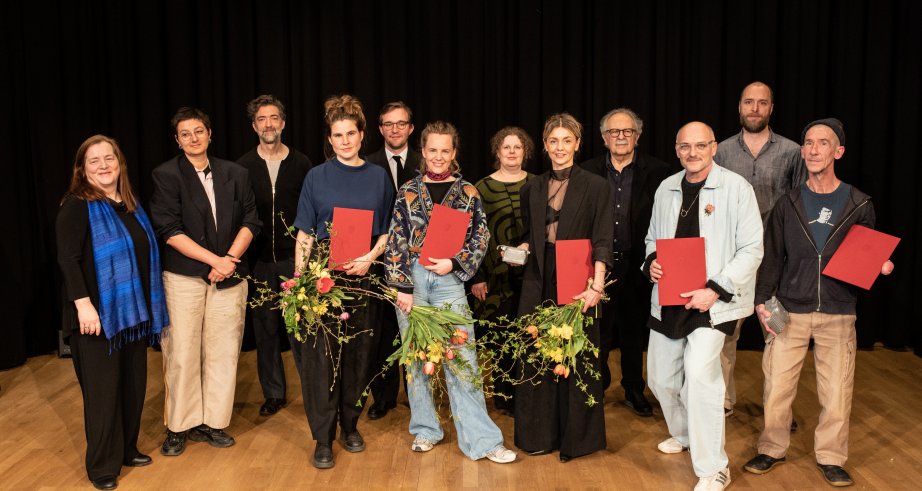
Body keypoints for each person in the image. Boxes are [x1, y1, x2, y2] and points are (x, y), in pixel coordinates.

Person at [743, 119, 894, 487]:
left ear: (837, 152)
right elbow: (772, 257)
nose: (812, 150)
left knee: (837, 392)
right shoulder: (788, 203)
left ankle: (830, 456)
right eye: (808, 143)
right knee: (777, 386)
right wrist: (763, 301)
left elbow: (866, 255)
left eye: (821, 143)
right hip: (789, 311)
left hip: (838, 313)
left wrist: (880, 265)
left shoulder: (859, 204)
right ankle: (772, 448)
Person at [385, 120, 517, 464]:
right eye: (433, 150)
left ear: (454, 153)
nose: (439, 156)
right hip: (413, 283)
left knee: (462, 360)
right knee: (417, 361)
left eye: (446, 150)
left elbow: (481, 238)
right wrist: (402, 286)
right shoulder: (408, 191)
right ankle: (426, 430)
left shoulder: (468, 193)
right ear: (423, 152)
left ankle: (482, 441)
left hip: (448, 282)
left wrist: (455, 264)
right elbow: (396, 239)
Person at [644, 122, 763, 491]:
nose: (692, 153)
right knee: (660, 378)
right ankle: (685, 434)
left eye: (700, 145)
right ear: (676, 149)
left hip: (713, 302)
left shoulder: (736, 188)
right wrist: (651, 262)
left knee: (700, 376)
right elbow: (652, 238)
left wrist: (715, 288)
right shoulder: (666, 187)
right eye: (684, 146)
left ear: (714, 147)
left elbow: (752, 249)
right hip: (670, 298)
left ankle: (714, 468)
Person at [56, 135, 169, 490]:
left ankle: (126, 449)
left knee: (132, 387)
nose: (104, 165)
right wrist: (83, 305)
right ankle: (102, 467)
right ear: (82, 168)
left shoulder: (130, 204)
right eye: (94, 161)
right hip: (95, 318)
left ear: (120, 163)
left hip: (131, 316)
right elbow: (68, 259)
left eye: (110, 158)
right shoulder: (77, 205)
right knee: (103, 394)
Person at [150, 107, 261, 457]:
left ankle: (213, 422)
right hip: (184, 278)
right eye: (185, 134)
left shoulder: (236, 172)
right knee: (181, 352)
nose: (193, 138)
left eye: (199, 131)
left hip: (229, 275)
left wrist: (228, 261)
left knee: (223, 352)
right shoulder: (166, 175)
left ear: (210, 134)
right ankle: (180, 426)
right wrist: (215, 261)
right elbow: (169, 230)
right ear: (177, 140)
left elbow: (251, 220)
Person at [292, 95, 393, 469]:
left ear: (362, 135)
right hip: (323, 281)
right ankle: (323, 437)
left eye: (351, 133)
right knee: (321, 360)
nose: (345, 140)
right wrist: (300, 284)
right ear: (330, 139)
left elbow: (386, 233)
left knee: (358, 357)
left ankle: (350, 425)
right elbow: (304, 234)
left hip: (362, 277)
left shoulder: (378, 177)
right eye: (338, 135)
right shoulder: (316, 177)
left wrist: (369, 258)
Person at [514, 113, 612, 462]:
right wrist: (522, 250)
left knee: (578, 354)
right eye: (553, 141)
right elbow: (532, 235)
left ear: (577, 144)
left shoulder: (597, 185)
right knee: (537, 352)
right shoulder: (533, 187)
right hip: (538, 278)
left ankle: (578, 439)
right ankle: (539, 434)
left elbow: (603, 238)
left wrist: (597, 284)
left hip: (579, 278)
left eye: (566, 140)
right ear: (545, 145)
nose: (559, 147)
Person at [714, 81, 806, 418]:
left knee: (777, 336)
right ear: (739, 107)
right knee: (724, 335)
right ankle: (722, 402)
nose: (755, 108)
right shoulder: (720, 151)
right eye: (749, 102)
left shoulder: (792, 152)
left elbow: (800, 206)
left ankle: (776, 410)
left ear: (771, 108)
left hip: (775, 262)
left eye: (762, 103)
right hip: (732, 260)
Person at [579, 107, 671, 417]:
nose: (621, 137)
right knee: (598, 329)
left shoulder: (659, 172)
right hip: (598, 263)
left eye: (627, 131)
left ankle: (633, 387)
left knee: (634, 329)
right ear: (604, 138)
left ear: (638, 136)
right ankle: (598, 385)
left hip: (638, 264)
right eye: (614, 132)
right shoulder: (587, 171)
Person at [237, 95, 313, 417]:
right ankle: (274, 394)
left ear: (282, 123)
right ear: (255, 126)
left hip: (292, 261)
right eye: (262, 119)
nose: (268, 124)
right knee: (265, 331)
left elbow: (311, 213)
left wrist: (305, 264)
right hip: (258, 263)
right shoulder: (241, 167)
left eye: (274, 118)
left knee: (300, 330)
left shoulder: (302, 164)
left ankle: (312, 391)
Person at [469, 126, 536, 415]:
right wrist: (477, 277)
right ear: (497, 152)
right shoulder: (481, 187)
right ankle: (503, 392)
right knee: (500, 336)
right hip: (493, 276)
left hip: (532, 272)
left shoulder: (538, 184)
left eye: (517, 147)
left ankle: (527, 390)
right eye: (506, 147)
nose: (511, 152)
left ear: (525, 152)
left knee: (528, 333)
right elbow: (471, 234)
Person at [364, 101, 422, 420]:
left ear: (411, 128)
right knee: (382, 334)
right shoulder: (367, 165)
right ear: (380, 128)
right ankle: (383, 397)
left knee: (415, 333)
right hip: (377, 263)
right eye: (388, 124)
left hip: (418, 266)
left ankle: (417, 396)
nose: (395, 129)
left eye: (401, 124)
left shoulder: (428, 162)